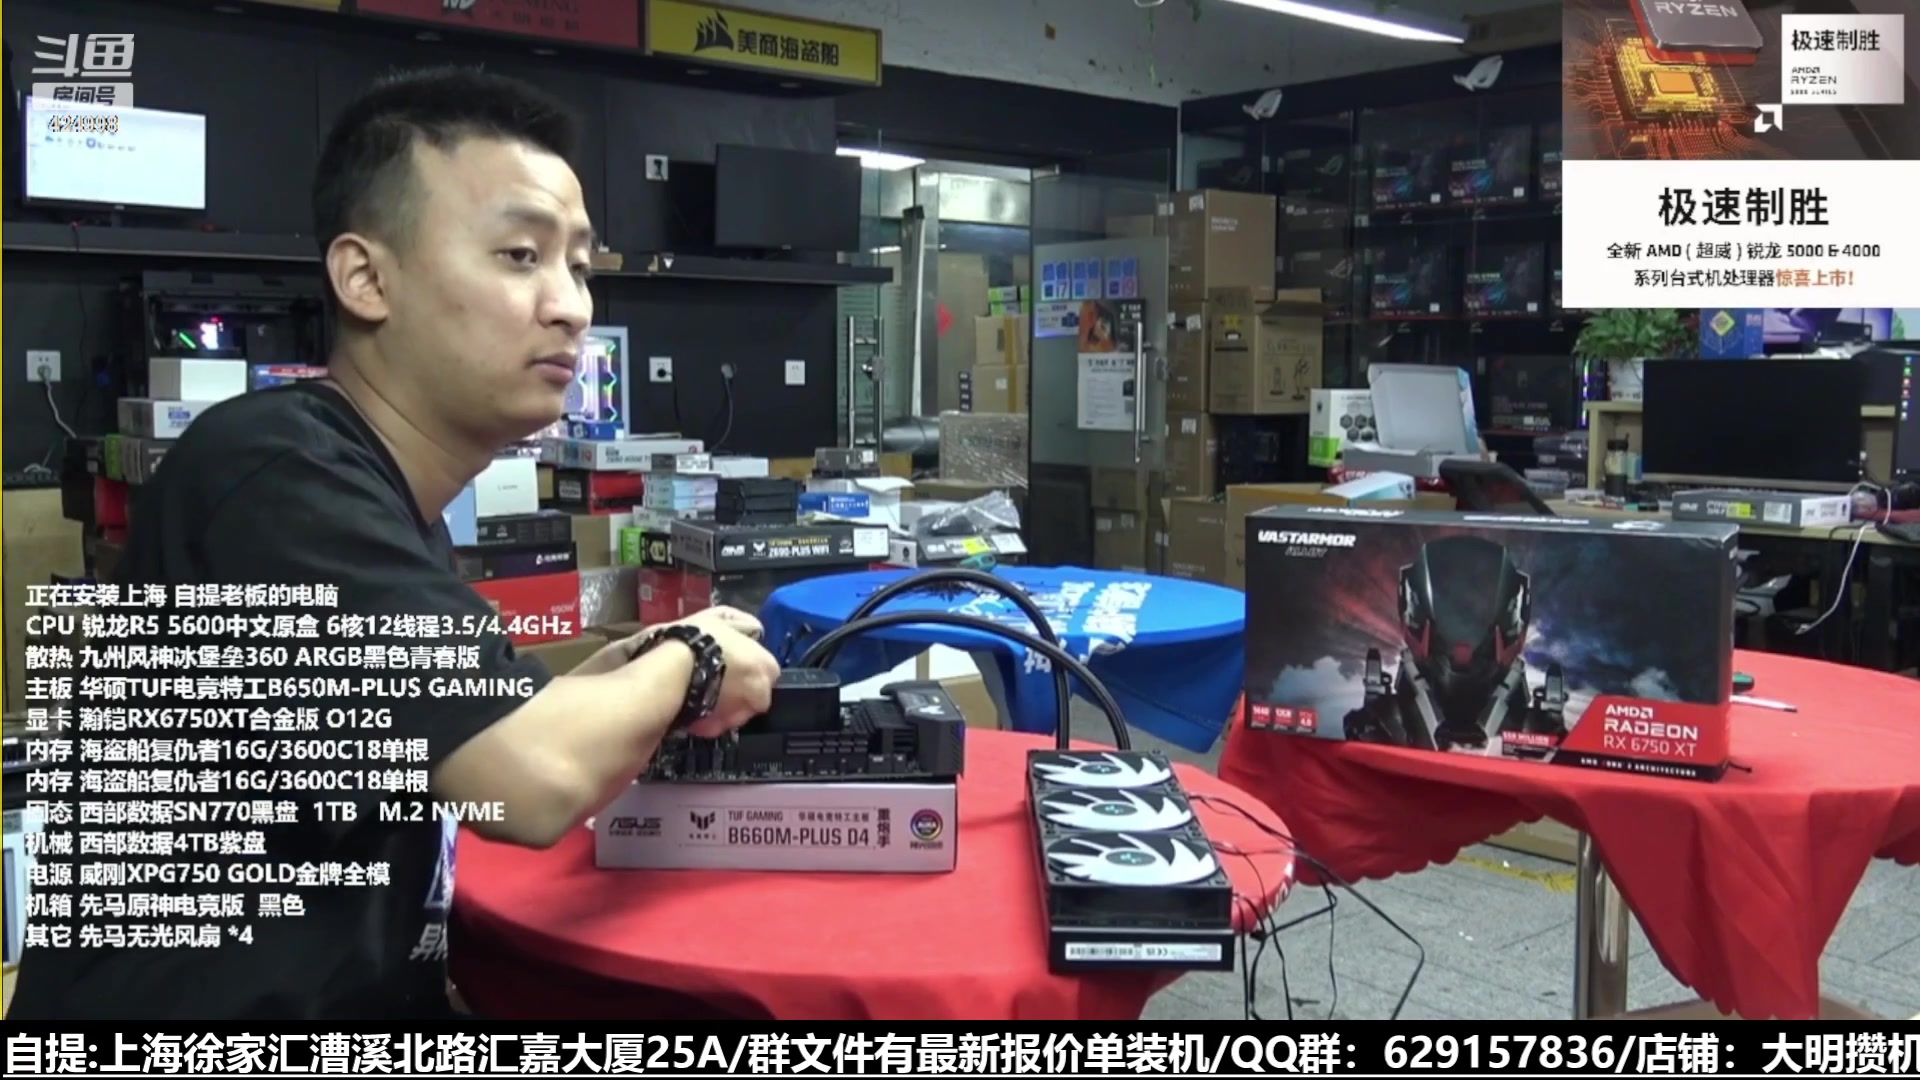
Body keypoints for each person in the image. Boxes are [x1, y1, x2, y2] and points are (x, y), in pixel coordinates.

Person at [9, 67, 781, 1023]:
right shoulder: (278, 473)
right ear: (366, 279)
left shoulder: (374, 485)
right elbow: (528, 783)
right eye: (519, 256)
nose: (573, 307)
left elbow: (468, 735)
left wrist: (634, 664)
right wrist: (695, 659)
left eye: (579, 267)